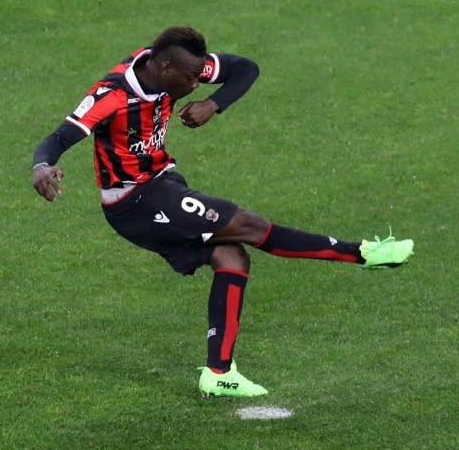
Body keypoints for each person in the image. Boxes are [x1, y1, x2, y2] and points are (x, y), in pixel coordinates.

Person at [31, 26, 414, 398]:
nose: (197, 84)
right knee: (248, 224)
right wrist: (42, 167)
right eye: (193, 78)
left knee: (232, 256)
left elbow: (245, 68)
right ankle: (361, 253)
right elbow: (58, 138)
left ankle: (220, 373)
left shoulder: (173, 65)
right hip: (135, 201)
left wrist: (215, 104)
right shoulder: (111, 95)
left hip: (164, 183)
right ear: (166, 69)